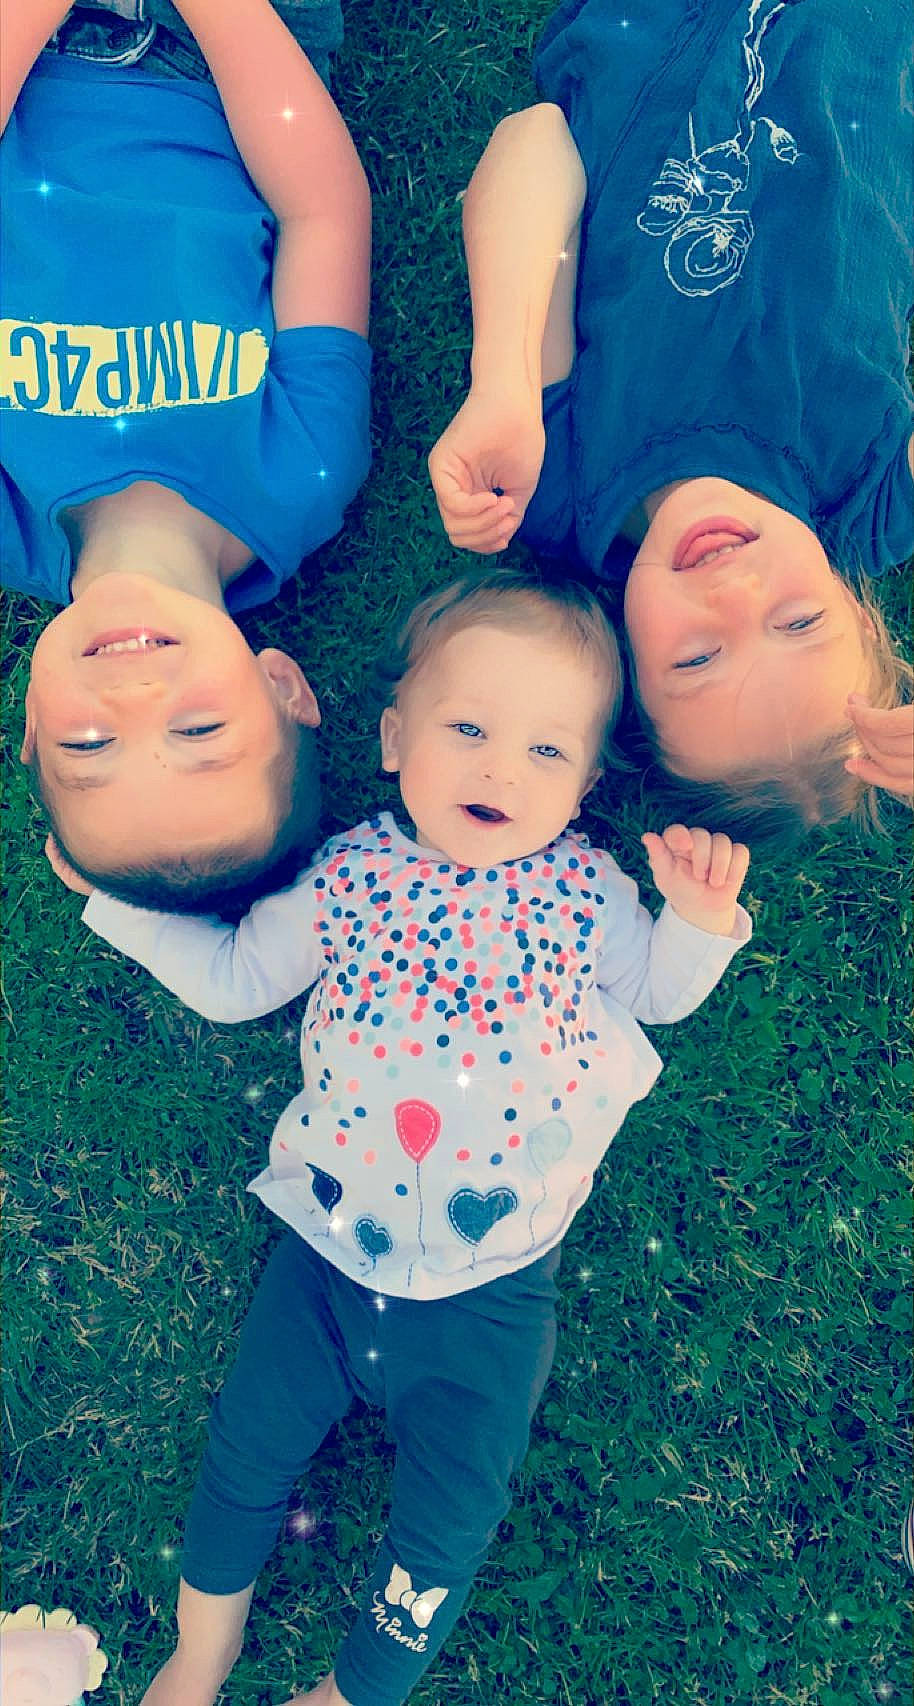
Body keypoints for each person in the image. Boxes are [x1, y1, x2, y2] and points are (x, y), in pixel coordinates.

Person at [48, 568, 752, 1706]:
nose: (494, 766)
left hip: (495, 1291)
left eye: (542, 751)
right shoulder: (346, 877)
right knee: (242, 1450)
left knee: (444, 1530)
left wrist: (699, 921)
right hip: (324, 1251)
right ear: (392, 738)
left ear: (580, 785)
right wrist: (117, 902)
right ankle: (201, 1648)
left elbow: (658, 994)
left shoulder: (588, 891)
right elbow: (235, 980)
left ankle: (349, 1691)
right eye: (467, 726)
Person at [428, 0, 914, 843]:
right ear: (861, 612)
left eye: (696, 659)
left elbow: (535, 140)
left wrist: (503, 381)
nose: (735, 594)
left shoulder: (554, 489)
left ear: (628, 672)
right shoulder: (867, 508)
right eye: (799, 622)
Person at [0, 0, 371, 915]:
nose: (136, 697)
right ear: (281, 687)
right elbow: (322, 214)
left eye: (90, 748)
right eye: (197, 728)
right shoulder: (304, 479)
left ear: (33, 729)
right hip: (217, 64)